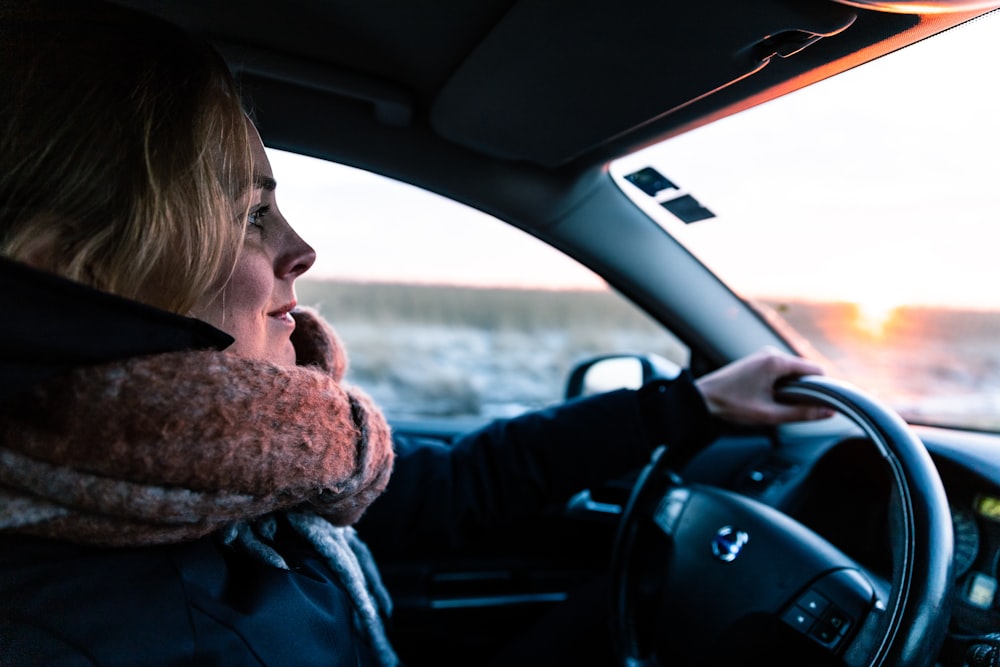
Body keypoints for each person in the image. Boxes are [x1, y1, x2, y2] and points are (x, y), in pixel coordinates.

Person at [0, 1, 833, 665]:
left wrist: (687, 406)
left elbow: (450, 487)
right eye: (252, 214)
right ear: (69, 271)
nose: (301, 249)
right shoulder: (98, 632)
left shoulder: (224, 471)